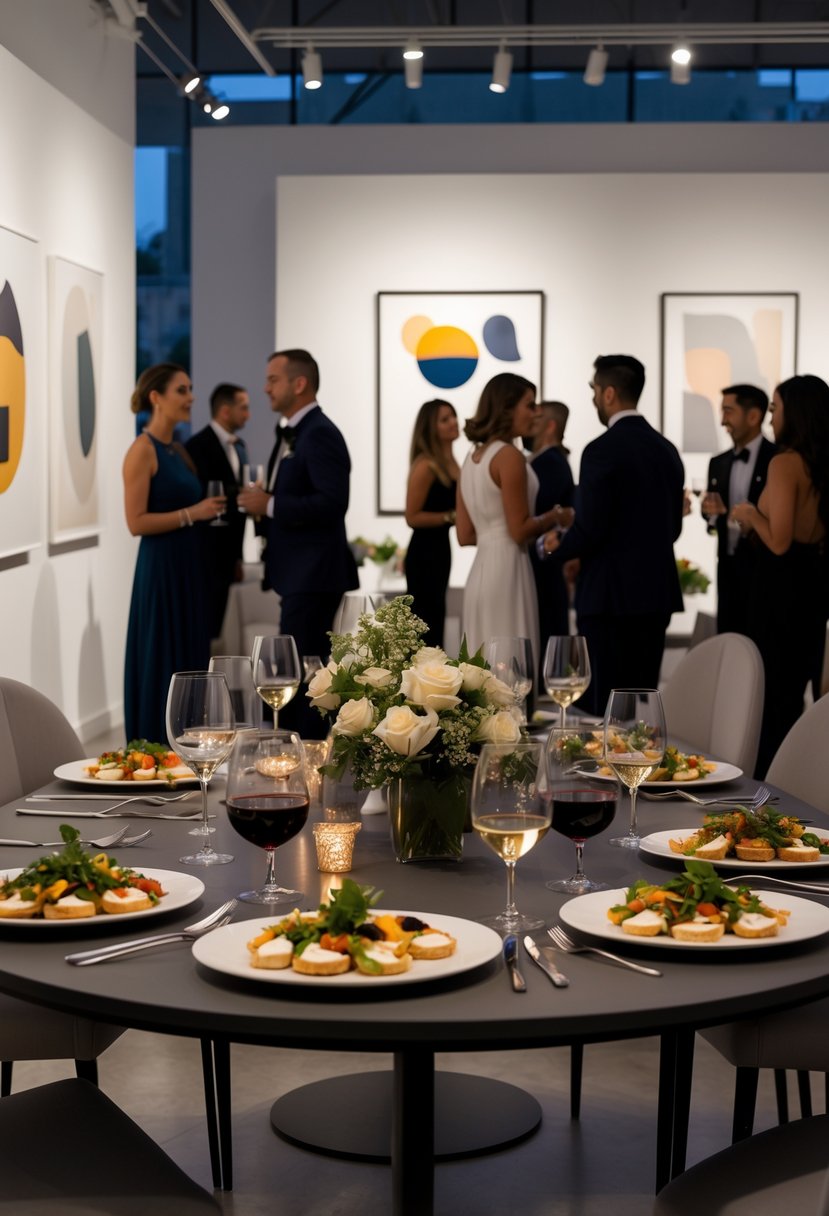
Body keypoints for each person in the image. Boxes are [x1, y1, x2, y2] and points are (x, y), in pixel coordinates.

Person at [542, 355, 685, 716]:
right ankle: (639, 768)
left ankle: (601, 772)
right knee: (640, 702)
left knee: (602, 706)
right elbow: (673, 529)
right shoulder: (667, 451)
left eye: (593, 390)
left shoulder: (600, 450)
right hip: (655, 596)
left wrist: (555, 548)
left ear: (608, 394)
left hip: (608, 598)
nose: (592, 399)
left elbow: (590, 529)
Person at [238, 349, 358, 738]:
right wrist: (267, 501)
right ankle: (293, 753)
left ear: (299, 383)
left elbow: (332, 502)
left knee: (303, 675)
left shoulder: (320, 433)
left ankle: (299, 755)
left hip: (314, 573)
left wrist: (270, 504)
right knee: (299, 671)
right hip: (298, 573)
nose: (265, 388)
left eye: (273, 379)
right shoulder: (295, 431)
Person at [730, 374, 829, 777]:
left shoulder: (785, 463)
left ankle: (771, 794)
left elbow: (781, 541)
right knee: (794, 695)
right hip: (813, 588)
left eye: (775, 409)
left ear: (796, 413)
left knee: (772, 699)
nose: (771, 418)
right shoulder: (820, 464)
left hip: (779, 593)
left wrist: (750, 513)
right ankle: (799, 784)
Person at [123, 364, 225, 742]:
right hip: (161, 569)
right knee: (161, 657)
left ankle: (189, 747)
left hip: (187, 568)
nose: (191, 397)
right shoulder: (141, 451)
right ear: (156, 397)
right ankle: (155, 745)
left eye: (190, 389)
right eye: (182, 390)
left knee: (188, 654)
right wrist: (192, 514)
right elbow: (135, 522)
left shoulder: (179, 451)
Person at [456, 373, 569, 676]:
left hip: (480, 570)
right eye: (530, 405)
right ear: (507, 408)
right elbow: (518, 529)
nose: (536, 413)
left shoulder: (471, 458)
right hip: (510, 566)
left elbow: (465, 535)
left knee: (481, 670)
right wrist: (555, 516)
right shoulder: (510, 456)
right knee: (511, 667)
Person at [702, 384, 776, 635]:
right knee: (728, 641)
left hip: (766, 573)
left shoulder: (777, 460)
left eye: (728, 411)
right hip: (727, 570)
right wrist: (710, 513)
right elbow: (713, 521)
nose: (723, 421)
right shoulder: (718, 462)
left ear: (754, 416)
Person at [186, 383, 251, 642]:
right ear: (225, 410)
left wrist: (238, 557)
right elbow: (198, 496)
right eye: (244, 407)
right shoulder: (196, 447)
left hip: (229, 554)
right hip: (204, 552)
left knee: (221, 626)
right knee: (205, 626)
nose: (248, 414)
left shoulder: (241, 446)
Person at [404, 399, 460, 647]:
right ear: (431, 427)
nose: (453, 423)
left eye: (453, 416)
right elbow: (412, 516)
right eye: (445, 419)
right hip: (424, 553)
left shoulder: (452, 463)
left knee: (437, 615)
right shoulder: (426, 465)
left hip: (441, 550)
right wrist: (450, 517)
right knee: (425, 620)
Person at [528, 401, 575, 662]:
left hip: (543, 562)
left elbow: (537, 512)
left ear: (550, 425)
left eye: (537, 419)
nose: (530, 424)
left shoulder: (551, 462)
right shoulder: (548, 460)